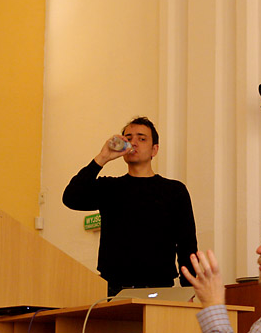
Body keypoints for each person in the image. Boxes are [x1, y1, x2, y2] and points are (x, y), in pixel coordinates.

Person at [62, 116, 197, 296]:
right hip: (114, 288)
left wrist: (189, 291)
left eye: (142, 138)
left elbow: (187, 245)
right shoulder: (109, 187)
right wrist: (103, 157)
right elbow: (71, 197)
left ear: (154, 149)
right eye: (128, 138)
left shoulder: (174, 190)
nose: (134, 143)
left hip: (159, 287)